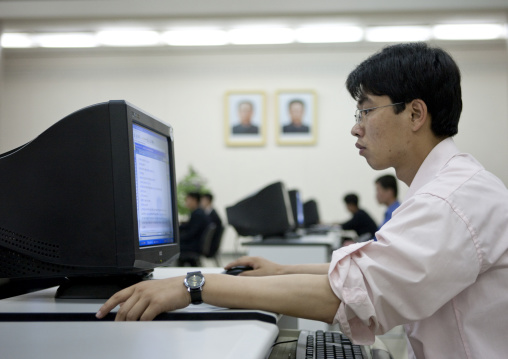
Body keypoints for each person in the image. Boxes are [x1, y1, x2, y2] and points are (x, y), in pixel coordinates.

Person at [97, 43, 508, 358]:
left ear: (416, 115)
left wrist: (197, 286)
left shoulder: (449, 201)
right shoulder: (451, 187)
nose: (356, 128)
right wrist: (281, 270)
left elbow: (351, 296)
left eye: (365, 111)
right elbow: (377, 264)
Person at [178, 192, 210, 266]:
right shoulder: (198, 212)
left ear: (194, 200)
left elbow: (191, 233)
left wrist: (177, 239)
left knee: (174, 247)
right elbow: (189, 226)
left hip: (195, 246)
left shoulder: (197, 214)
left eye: (187, 200)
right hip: (197, 244)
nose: (186, 202)